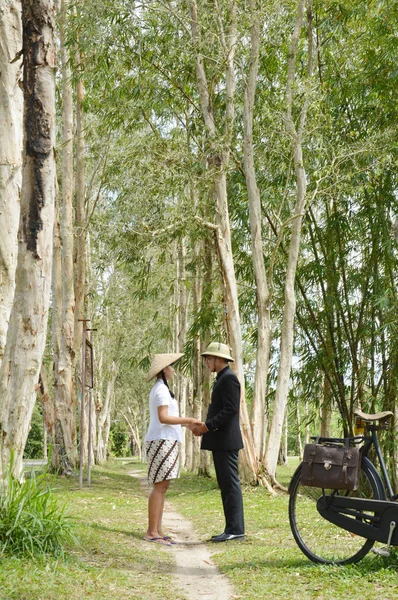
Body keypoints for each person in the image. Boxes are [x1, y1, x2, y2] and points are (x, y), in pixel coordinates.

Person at [192, 342, 245, 542]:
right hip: (221, 441)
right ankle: (232, 528)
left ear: (219, 359)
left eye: (209, 358)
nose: (207, 362)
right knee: (226, 485)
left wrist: (207, 426)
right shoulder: (222, 379)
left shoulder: (229, 379)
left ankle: (235, 530)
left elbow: (230, 410)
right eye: (206, 359)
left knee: (230, 485)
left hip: (226, 442)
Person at [144, 352, 199, 546]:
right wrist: (189, 420)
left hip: (165, 440)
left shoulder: (163, 390)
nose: (173, 369)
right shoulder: (160, 390)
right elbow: (163, 418)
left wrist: (186, 425)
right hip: (161, 441)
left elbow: (168, 419)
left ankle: (158, 530)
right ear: (164, 369)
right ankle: (152, 531)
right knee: (159, 486)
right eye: (171, 366)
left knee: (163, 486)